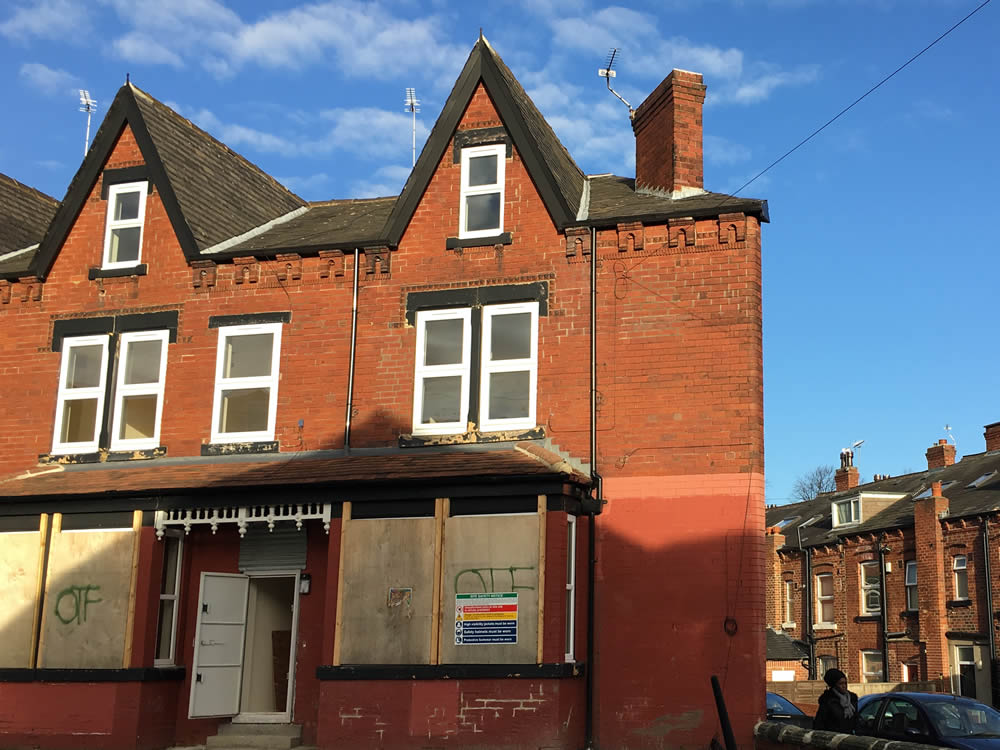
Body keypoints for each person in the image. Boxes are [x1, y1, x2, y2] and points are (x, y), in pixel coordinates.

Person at [813, 668, 859, 733]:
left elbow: (856, 719)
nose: (844, 686)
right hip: (833, 737)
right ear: (834, 685)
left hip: (850, 737)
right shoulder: (828, 701)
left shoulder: (852, 699)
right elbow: (820, 723)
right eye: (841, 684)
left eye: (845, 683)